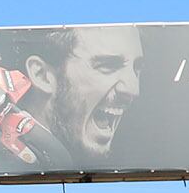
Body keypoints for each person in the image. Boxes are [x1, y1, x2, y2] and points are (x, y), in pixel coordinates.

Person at [20, 27, 145, 166]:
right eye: (108, 65)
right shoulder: (1, 162)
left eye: (136, 70)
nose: (133, 90)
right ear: (42, 75)